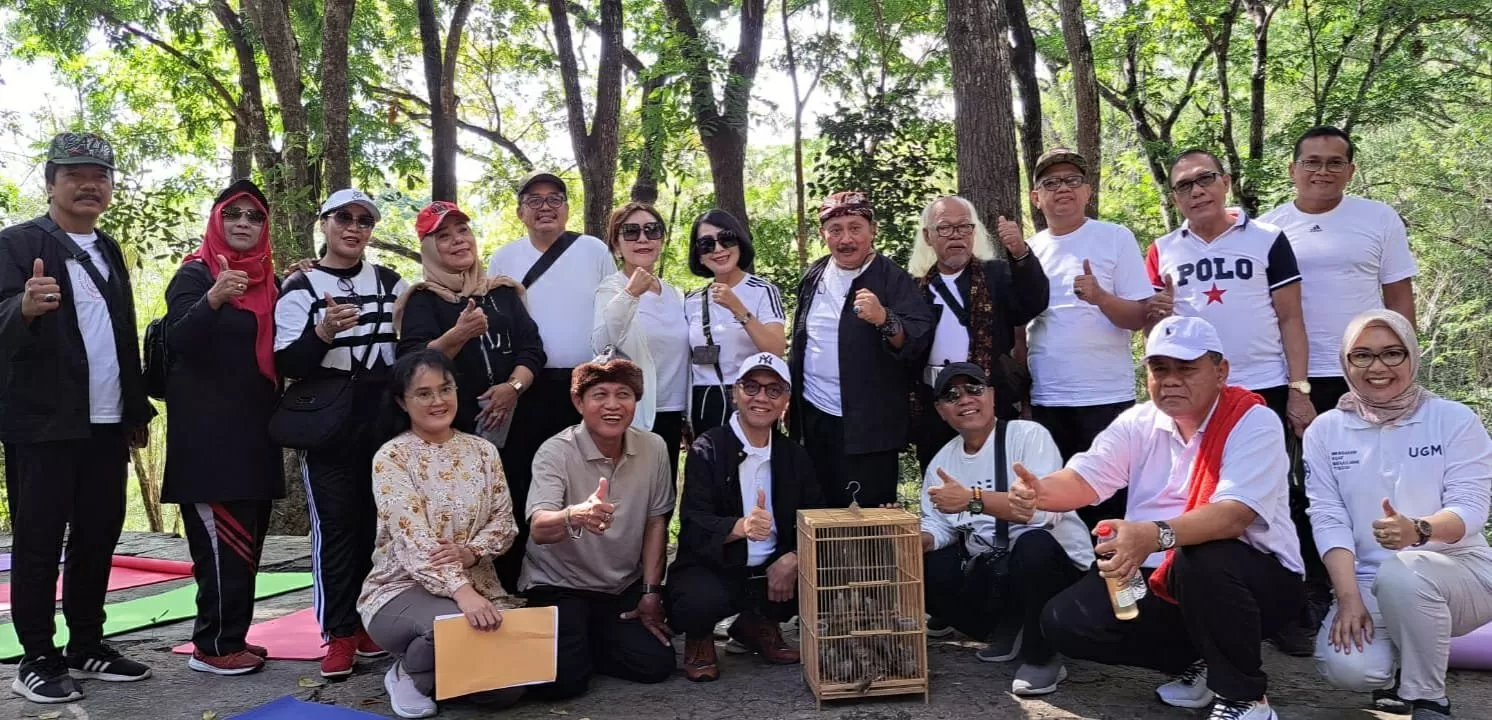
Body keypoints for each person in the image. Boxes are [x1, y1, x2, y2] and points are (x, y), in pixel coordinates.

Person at [1020, 316, 1305, 720]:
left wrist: (1151, 536)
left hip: (1256, 581)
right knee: (1068, 621)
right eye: (1159, 369)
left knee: (1202, 558)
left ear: (1220, 371)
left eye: (1186, 368)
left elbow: (1233, 517)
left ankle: (1245, 699)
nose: (1170, 380)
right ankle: (1204, 661)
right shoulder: (1139, 422)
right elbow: (1087, 477)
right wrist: (1040, 492)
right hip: (1158, 573)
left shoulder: (1252, 420)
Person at [1, 132, 155, 704]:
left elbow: (121, 335)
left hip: (107, 422)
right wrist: (20, 307)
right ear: (50, 184)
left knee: (98, 534)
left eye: (101, 176)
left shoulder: (108, 249)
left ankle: (87, 641)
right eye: (75, 175)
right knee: (40, 541)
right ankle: (36, 656)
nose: (90, 185)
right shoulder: (17, 244)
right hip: (43, 423)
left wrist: (135, 409)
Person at [1260, 126, 1420, 647]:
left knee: (1370, 482)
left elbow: (1399, 299)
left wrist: (1403, 368)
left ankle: (1381, 588)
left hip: (1367, 370)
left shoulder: (1377, 219)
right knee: (1293, 489)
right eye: (1312, 161)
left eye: (1334, 162)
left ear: (1351, 169)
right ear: (1292, 169)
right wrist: (1295, 387)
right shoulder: (1269, 229)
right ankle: (1303, 594)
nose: (1322, 171)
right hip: (1291, 376)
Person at [1306, 310, 1492, 720]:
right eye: (1362, 356)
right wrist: (1348, 596)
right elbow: (1328, 516)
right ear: (1345, 362)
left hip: (1462, 571)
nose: (1378, 367)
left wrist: (1420, 530)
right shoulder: (1325, 430)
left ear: (1412, 356)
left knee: (1403, 572)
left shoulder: (1453, 419)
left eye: (1392, 353)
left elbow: (1472, 507)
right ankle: (1394, 674)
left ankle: (1428, 699)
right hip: (1369, 580)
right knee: (1349, 668)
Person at [274, 188, 406, 678]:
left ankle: (372, 620)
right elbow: (287, 361)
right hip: (329, 420)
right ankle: (339, 632)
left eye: (364, 221)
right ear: (325, 224)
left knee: (380, 528)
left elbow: (409, 346)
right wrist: (324, 331)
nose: (354, 228)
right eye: (344, 218)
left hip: (385, 420)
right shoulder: (302, 287)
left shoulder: (392, 283)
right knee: (335, 529)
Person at [360, 350, 524, 719]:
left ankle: (440, 672)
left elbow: (504, 523)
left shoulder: (482, 451)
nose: (438, 401)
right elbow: (413, 538)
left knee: (505, 693)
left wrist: (472, 554)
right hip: (401, 588)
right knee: (449, 626)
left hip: (478, 586)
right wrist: (460, 591)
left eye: (445, 389)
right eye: (424, 393)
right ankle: (410, 674)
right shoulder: (392, 457)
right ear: (403, 401)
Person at [162, 179, 283, 676]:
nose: (242, 224)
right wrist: (212, 298)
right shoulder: (194, 274)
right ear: (216, 221)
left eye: (253, 217)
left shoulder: (271, 282)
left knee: (247, 549)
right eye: (232, 215)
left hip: (255, 436)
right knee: (219, 547)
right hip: (209, 442)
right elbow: (177, 342)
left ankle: (232, 636)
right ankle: (211, 646)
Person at [918, 363, 1091, 696]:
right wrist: (918, 540)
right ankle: (1007, 627)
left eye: (974, 389)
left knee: (1033, 545)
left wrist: (972, 500)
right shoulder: (942, 461)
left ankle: (1043, 656)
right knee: (927, 563)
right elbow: (939, 525)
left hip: (1056, 574)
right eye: (952, 395)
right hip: (995, 575)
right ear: (941, 411)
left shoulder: (1028, 436)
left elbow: (1042, 514)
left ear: (992, 395)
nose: (965, 399)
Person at [486, 172, 614, 592]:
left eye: (554, 198)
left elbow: (615, 310)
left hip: (584, 383)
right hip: (527, 385)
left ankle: (588, 579)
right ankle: (517, 580)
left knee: (584, 479)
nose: (545, 206)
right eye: (534, 199)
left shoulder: (592, 250)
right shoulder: (504, 257)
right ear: (520, 210)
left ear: (567, 207)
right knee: (521, 477)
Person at [519, 357, 676, 699]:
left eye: (624, 395)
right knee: (560, 685)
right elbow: (540, 529)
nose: (612, 405)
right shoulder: (555, 452)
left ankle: (587, 639)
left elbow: (656, 522)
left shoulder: (654, 448)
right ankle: (576, 639)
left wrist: (651, 592)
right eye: (599, 395)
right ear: (579, 402)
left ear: (636, 402)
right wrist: (574, 515)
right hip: (561, 584)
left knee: (656, 665)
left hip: (619, 587)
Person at [1022, 148, 1155, 528]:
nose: (1062, 189)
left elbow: (1139, 316)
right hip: (1048, 397)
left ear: (1087, 191)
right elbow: (1019, 327)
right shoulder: (1030, 250)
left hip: (1106, 396)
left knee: (1111, 505)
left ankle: (1125, 587)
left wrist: (1100, 297)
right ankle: (1073, 585)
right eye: (1051, 183)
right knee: (1057, 508)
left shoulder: (1114, 237)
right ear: (1037, 197)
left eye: (1072, 181)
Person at [668, 353, 822, 682]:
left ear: (785, 401)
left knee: (821, 573)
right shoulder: (706, 448)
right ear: (735, 393)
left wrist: (794, 557)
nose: (761, 398)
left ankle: (757, 624)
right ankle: (699, 636)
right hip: (716, 567)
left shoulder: (795, 456)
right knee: (697, 600)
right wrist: (740, 527)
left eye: (773, 390)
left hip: (772, 570)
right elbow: (693, 524)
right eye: (751, 387)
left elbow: (814, 516)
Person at [1144, 149, 1313, 439]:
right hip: (1192, 388)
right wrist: (1154, 315)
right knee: (1198, 480)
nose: (1196, 191)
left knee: (1267, 479)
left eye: (1205, 179)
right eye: (1184, 186)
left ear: (1225, 182)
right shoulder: (1162, 249)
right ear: (1174, 199)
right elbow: (1152, 332)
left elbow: (1291, 318)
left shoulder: (1267, 238)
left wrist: (1299, 389)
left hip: (1263, 382)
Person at [787, 191, 934, 507]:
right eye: (835, 229)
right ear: (822, 234)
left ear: (872, 230)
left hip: (870, 426)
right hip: (815, 417)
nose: (846, 239)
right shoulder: (814, 275)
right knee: (818, 509)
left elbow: (916, 341)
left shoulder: (891, 278)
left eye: (855, 227)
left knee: (867, 517)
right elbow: (801, 340)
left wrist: (884, 318)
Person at [907, 195, 1049, 470]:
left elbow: (1033, 302)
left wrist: (1020, 253)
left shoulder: (996, 275)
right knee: (940, 477)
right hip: (935, 403)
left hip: (988, 399)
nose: (956, 235)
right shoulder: (915, 286)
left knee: (993, 476)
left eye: (964, 227)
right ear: (928, 236)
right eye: (945, 228)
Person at [394, 201, 545, 436]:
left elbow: (532, 348)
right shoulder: (422, 299)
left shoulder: (501, 290)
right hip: (453, 429)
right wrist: (458, 335)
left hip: (519, 420)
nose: (458, 240)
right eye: (444, 236)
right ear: (430, 249)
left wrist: (512, 388)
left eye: (463, 230)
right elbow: (412, 366)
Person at [591, 202, 689, 478]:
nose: (643, 239)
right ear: (617, 245)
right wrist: (630, 294)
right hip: (631, 413)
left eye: (652, 230)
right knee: (630, 502)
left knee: (665, 500)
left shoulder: (675, 294)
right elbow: (601, 343)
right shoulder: (612, 288)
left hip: (673, 412)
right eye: (631, 232)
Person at [682, 210, 786, 435]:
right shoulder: (691, 301)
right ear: (699, 255)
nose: (718, 249)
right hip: (705, 400)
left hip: (753, 397)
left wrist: (738, 309)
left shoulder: (763, 291)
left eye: (726, 239)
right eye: (707, 244)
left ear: (739, 242)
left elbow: (776, 348)